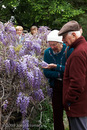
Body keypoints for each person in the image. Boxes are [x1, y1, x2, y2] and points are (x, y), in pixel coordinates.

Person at [58, 20, 87, 130]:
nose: (63, 40)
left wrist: (68, 101)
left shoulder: (78, 54)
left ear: (74, 34)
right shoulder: (84, 47)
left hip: (77, 106)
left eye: (64, 36)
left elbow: (77, 83)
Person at [42, 30, 73, 130]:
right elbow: (46, 72)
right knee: (57, 113)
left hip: (68, 85)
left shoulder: (69, 50)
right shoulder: (47, 52)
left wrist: (56, 67)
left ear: (61, 42)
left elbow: (71, 70)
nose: (52, 47)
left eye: (54, 45)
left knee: (70, 112)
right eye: (50, 45)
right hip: (55, 85)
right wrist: (61, 73)